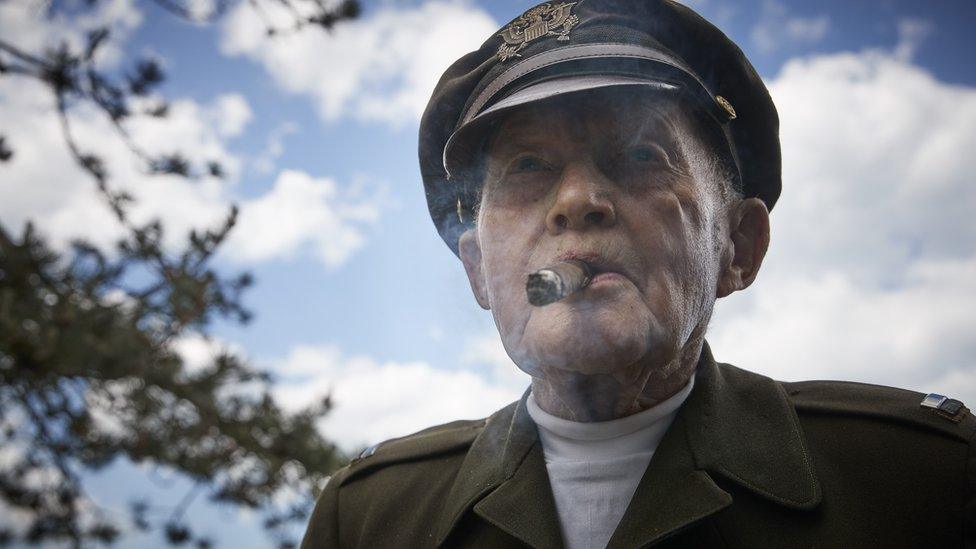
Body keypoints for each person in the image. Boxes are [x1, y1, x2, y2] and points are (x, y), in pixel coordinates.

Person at [301, 1, 975, 547]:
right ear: (479, 270)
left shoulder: (926, 480)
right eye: (527, 168)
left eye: (641, 151)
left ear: (737, 245)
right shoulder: (368, 521)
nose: (575, 202)